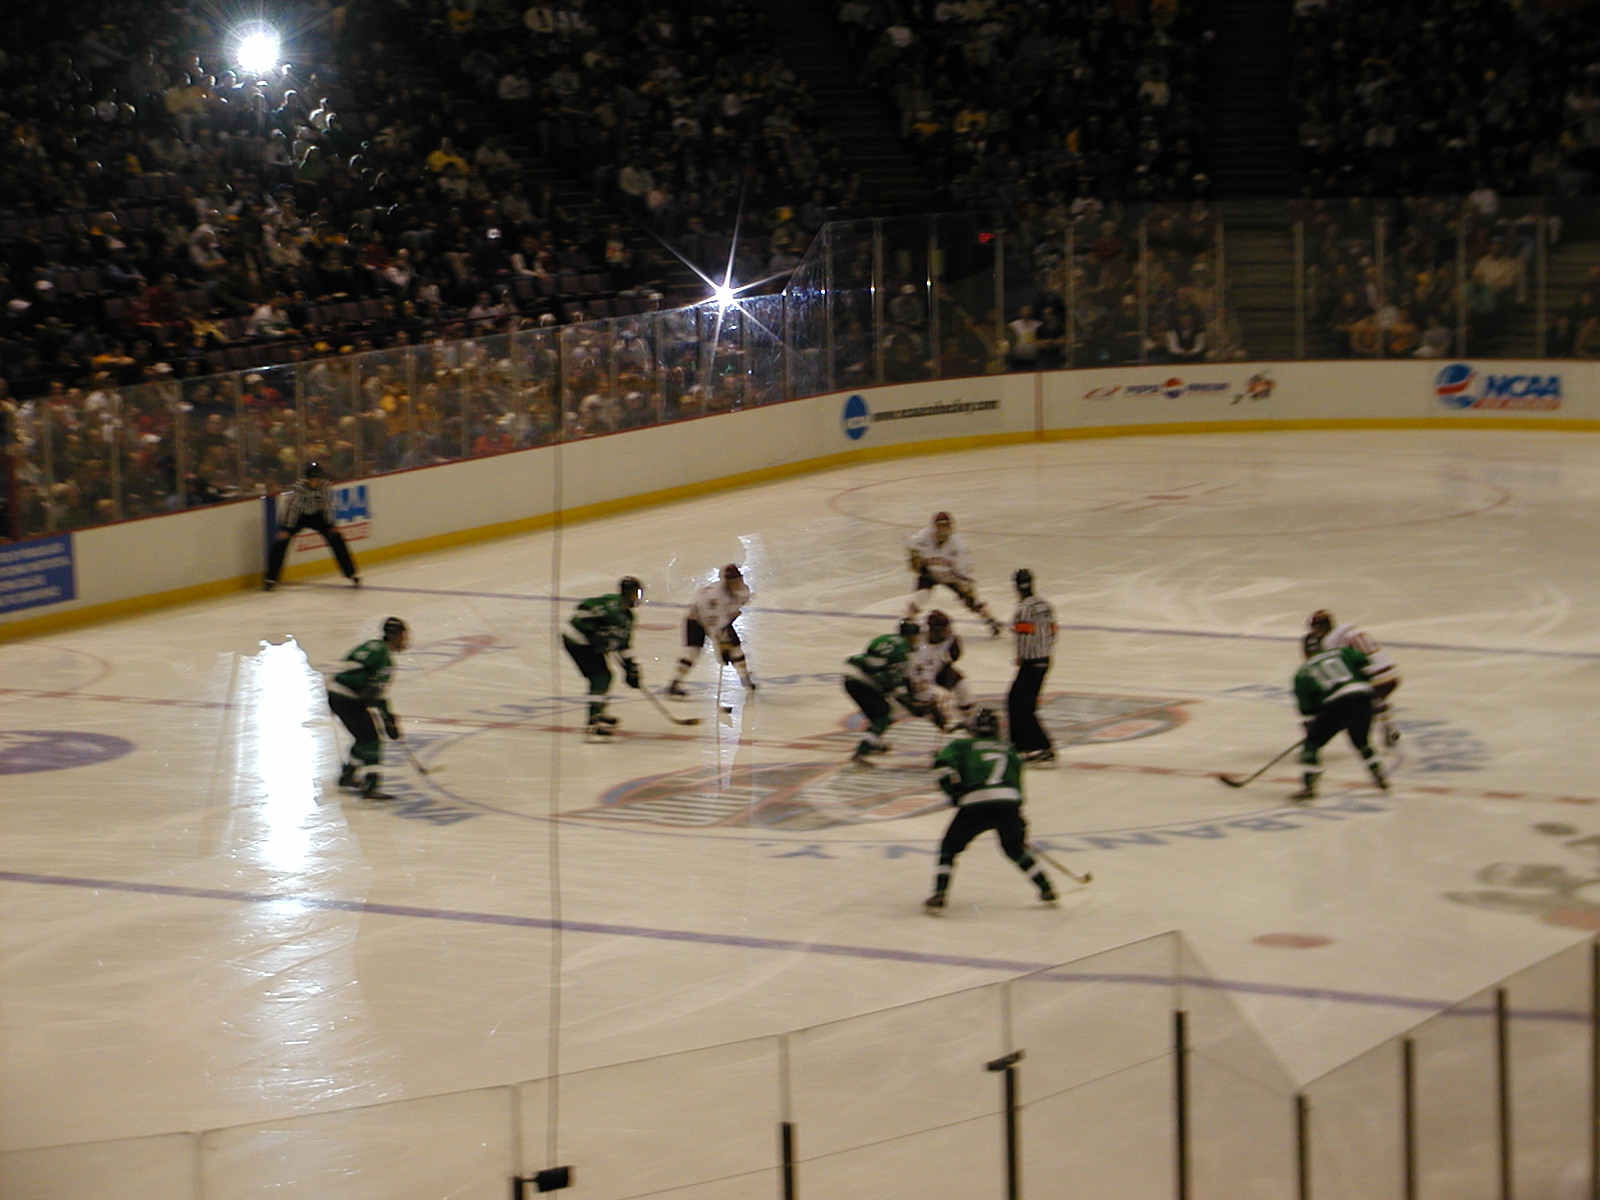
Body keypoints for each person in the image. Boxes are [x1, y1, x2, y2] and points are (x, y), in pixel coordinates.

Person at [923, 708, 1058, 915]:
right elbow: (1016, 786)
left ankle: (940, 894)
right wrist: (1018, 817)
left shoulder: (961, 745)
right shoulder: (1010, 752)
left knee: (949, 847)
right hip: (1008, 804)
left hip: (975, 803)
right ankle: (1046, 888)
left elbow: (941, 768)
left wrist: (952, 790)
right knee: (1015, 849)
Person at [1291, 631, 1390, 802]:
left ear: (1304, 651)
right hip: (1363, 697)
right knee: (1361, 741)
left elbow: (1308, 712)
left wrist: (1312, 732)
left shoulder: (1303, 673)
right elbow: (1366, 666)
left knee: (1312, 744)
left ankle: (1308, 787)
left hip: (1336, 704)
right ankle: (1378, 775)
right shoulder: (1344, 652)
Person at [327, 616, 409, 800]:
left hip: (337, 695)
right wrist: (388, 720)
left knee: (363, 738)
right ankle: (371, 786)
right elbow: (373, 693)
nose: (404, 640)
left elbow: (368, 688)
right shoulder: (385, 659)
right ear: (394, 635)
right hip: (347, 699)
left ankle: (348, 776)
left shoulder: (373, 646)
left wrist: (387, 718)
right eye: (402, 635)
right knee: (372, 741)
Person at [564, 576, 644, 741]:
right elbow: (582, 611)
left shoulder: (628, 617)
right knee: (600, 677)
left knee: (605, 676)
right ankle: (593, 724)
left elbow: (624, 644)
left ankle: (598, 713)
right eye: (636, 593)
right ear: (627, 593)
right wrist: (594, 634)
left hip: (589, 645)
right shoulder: (610, 605)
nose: (638, 598)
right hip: (577, 641)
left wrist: (630, 666)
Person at [1307, 609, 1401, 744]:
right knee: (1375, 698)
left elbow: (1343, 669)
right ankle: (1388, 728)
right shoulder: (1351, 631)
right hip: (1391, 676)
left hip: (1375, 679)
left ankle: (1366, 739)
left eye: (1316, 628)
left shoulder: (1331, 641)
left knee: (1358, 703)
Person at [264, 462, 360, 590]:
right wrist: (286, 529)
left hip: (317, 516)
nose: (313, 482)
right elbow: (292, 508)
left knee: (336, 537)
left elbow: (328, 506)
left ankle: (351, 573)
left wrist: (331, 525)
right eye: (311, 479)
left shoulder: (325, 487)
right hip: (298, 517)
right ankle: (271, 578)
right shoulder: (299, 488)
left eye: (315, 478)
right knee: (281, 541)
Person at [904, 511, 1002, 635]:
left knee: (971, 600)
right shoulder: (923, 537)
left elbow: (965, 569)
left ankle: (990, 619)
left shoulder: (958, 546)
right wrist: (913, 556)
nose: (944, 530)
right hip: (930, 573)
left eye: (947, 526)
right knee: (920, 597)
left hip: (951, 576)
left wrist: (966, 584)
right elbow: (908, 540)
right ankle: (906, 621)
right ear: (935, 527)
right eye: (941, 526)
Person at [666, 564, 754, 697]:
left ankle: (745, 677)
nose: (736, 584)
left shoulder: (743, 591)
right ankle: (675, 682)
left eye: (737, 579)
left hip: (719, 620)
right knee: (692, 652)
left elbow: (732, 613)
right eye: (732, 581)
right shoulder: (713, 598)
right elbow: (713, 625)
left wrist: (725, 641)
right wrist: (722, 645)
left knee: (736, 647)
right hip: (696, 619)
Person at [843, 619, 924, 765]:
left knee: (884, 714)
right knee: (883, 715)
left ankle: (873, 741)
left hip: (853, 676)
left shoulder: (890, 640)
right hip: (862, 681)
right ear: (911, 636)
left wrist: (910, 700)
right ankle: (861, 752)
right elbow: (893, 683)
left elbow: (875, 659)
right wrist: (911, 703)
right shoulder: (902, 651)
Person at [1008, 569, 1058, 765]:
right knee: (1017, 701)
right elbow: (1053, 632)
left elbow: (1023, 637)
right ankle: (1021, 744)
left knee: (1021, 706)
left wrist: (1020, 657)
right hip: (1045, 659)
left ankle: (1040, 745)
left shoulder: (1023, 609)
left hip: (1031, 661)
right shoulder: (1045, 605)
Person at [907, 609, 974, 730]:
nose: (948, 631)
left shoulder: (950, 640)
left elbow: (952, 658)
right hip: (918, 677)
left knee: (962, 686)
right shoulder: (917, 639)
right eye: (944, 628)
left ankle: (968, 719)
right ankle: (938, 721)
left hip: (938, 670)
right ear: (935, 630)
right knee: (928, 699)